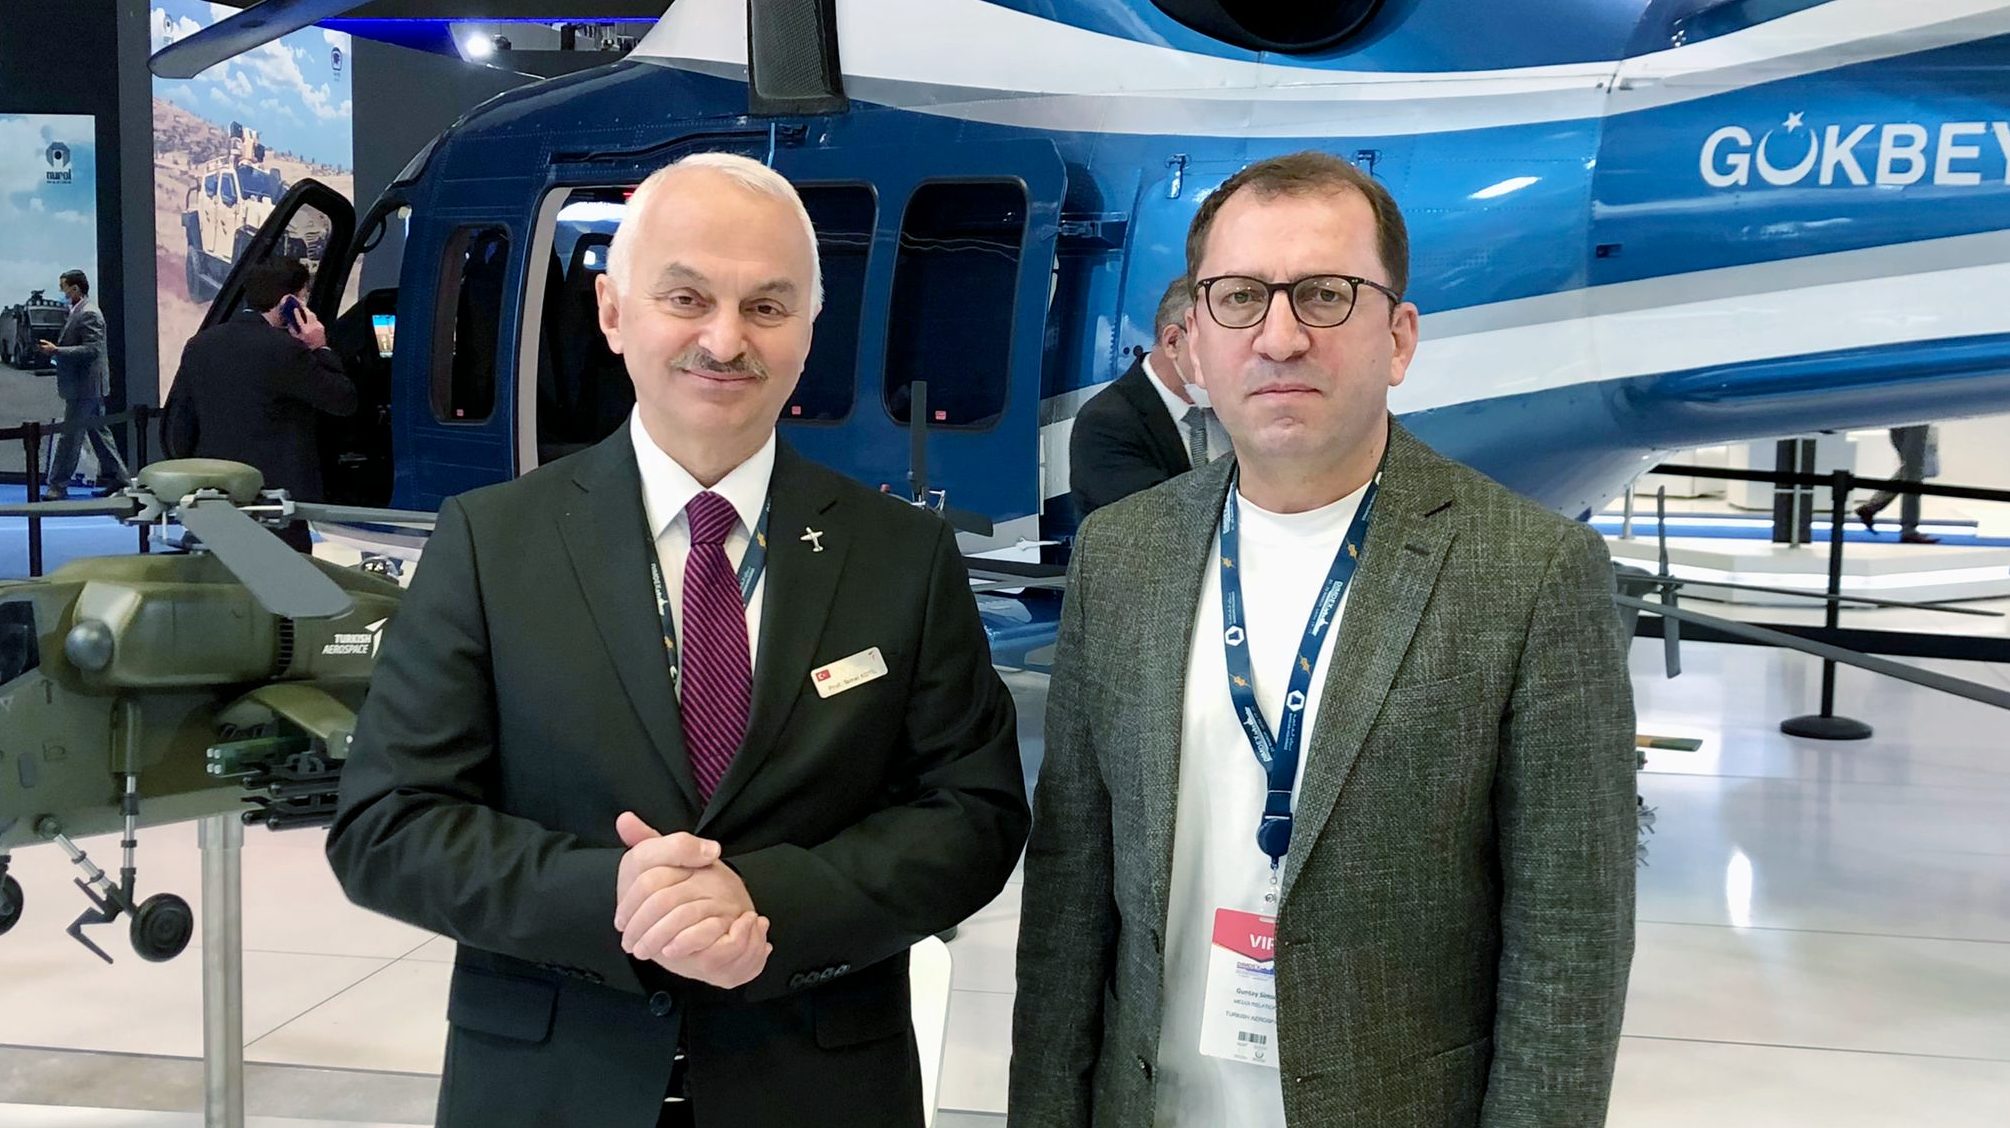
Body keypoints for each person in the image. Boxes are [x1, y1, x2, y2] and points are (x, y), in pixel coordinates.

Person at [326, 152, 1028, 1128]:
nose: (725, 340)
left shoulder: (901, 557)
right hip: (550, 1090)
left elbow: (973, 814)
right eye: (687, 298)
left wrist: (767, 901)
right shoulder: (492, 543)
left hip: (818, 1092)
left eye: (767, 306)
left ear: (809, 329)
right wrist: (612, 896)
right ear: (614, 312)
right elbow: (387, 826)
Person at [1010, 151, 1637, 1128]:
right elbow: (1070, 894)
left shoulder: (1531, 573)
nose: (1280, 336)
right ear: (1193, 341)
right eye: (1239, 297)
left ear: (1399, 338)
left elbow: (1569, 939)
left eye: (1325, 295)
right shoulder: (1124, 555)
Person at [164, 257, 357, 550]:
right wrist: (320, 346)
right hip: (275, 503)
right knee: (283, 574)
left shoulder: (200, 344)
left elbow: (182, 426)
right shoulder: (287, 351)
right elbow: (343, 400)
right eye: (304, 296)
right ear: (289, 302)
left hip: (215, 491)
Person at [1069, 277, 1229, 517]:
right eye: (1219, 348)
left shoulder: (1231, 407)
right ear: (1173, 341)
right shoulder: (1105, 423)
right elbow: (1152, 523)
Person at [36, 269, 130, 500]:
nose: (62, 292)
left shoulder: (89, 314)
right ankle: (121, 480)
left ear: (75, 288)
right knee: (99, 433)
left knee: (70, 436)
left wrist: (57, 351)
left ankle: (57, 485)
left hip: (85, 387)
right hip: (88, 386)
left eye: (64, 288)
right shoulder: (80, 311)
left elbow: (92, 350)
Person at [1855, 423, 1939, 543]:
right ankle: (1909, 530)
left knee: (1910, 470)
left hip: (1900, 418)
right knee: (1913, 473)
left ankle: (1872, 507)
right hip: (1915, 418)